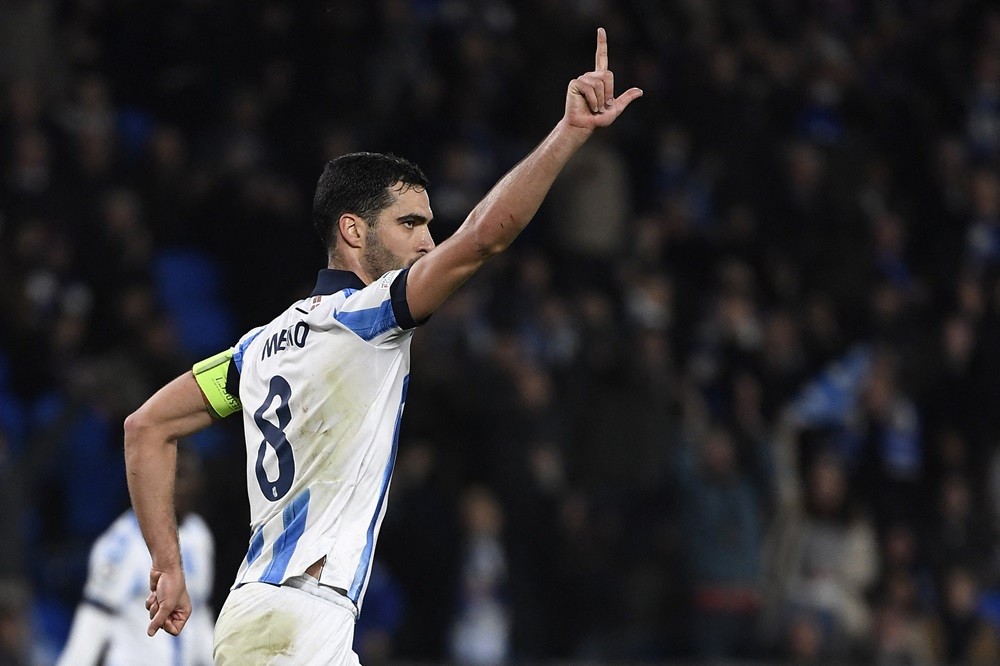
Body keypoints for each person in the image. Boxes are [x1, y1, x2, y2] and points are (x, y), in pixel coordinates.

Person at [123, 28, 641, 664]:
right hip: (302, 618)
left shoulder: (253, 351)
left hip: (261, 612)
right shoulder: (365, 315)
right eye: (410, 224)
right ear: (351, 230)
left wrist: (167, 568)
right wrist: (568, 133)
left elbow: (147, 426)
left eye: (428, 225)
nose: (428, 241)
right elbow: (483, 239)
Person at [58, 444, 214, 665]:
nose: (185, 487)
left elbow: (200, 616)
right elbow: (94, 621)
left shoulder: (199, 536)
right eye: (178, 476)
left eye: (190, 476)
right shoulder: (121, 543)